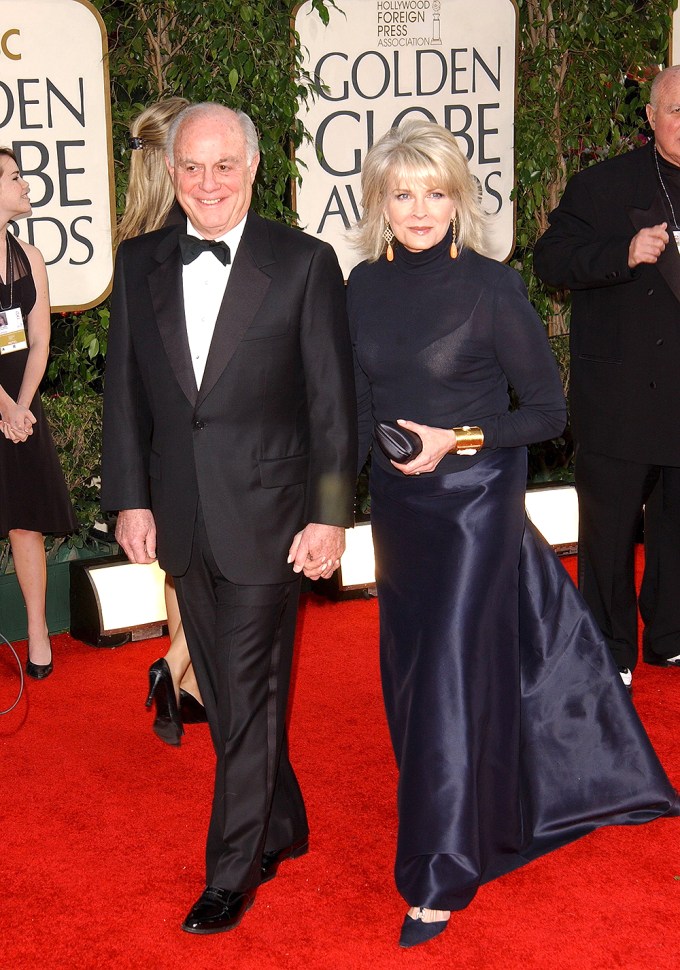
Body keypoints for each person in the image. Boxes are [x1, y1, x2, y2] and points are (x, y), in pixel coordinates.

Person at [347, 120, 679, 949]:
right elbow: (347, 411)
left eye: (434, 193)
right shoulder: (358, 286)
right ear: (380, 205)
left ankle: (439, 872)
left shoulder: (491, 287)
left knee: (450, 682)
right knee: (413, 681)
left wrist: (452, 442)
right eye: (402, 193)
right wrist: (330, 494)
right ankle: (486, 800)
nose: (419, 210)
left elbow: (548, 414)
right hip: (398, 513)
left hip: (472, 509)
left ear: (458, 199)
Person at [101, 102, 356, 934]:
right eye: (191, 168)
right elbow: (126, 398)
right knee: (222, 685)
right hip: (179, 514)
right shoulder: (139, 262)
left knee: (244, 695)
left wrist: (330, 518)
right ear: (170, 173)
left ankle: (232, 870)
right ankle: (284, 823)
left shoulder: (306, 262)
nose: (207, 183)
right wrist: (130, 499)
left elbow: (332, 405)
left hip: (273, 518)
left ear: (253, 169)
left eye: (223, 166)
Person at [533, 65, 680, 690]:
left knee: (677, 535)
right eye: (677, 110)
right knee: (609, 538)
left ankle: (670, 636)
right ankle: (607, 646)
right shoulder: (602, 185)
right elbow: (549, 260)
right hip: (620, 399)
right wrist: (621, 253)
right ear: (650, 117)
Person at [117, 95, 207, 745]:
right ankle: (174, 665)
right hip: (205, 436)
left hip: (154, 441)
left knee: (178, 568)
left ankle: (190, 689)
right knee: (222, 578)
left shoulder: (134, 240)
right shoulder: (200, 232)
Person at [0, 148, 77, 679]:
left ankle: (37, 631)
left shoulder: (30, 256)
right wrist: (4, 407)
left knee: (26, 524)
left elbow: (40, 341)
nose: (26, 184)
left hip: (22, 404)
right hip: (4, 404)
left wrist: (21, 408)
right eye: (14, 176)